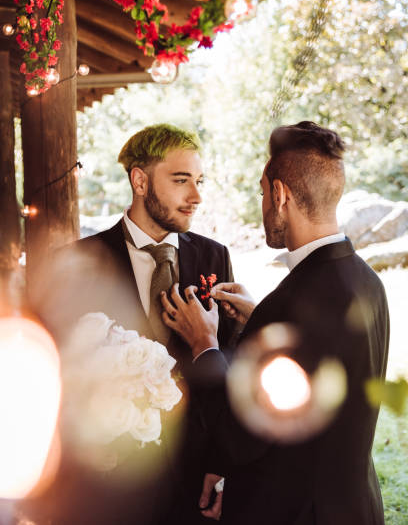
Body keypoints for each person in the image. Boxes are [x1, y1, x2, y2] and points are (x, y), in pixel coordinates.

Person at [161, 121, 390, 525]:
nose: (263, 204)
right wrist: (261, 324)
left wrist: (205, 346)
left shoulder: (290, 304)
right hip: (357, 507)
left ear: (280, 195)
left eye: (263, 193)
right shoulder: (367, 281)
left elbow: (237, 438)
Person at [29, 124, 238, 525]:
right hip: (111, 482)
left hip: (196, 481)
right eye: (181, 181)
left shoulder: (215, 257)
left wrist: (223, 462)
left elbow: (227, 359)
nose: (196, 197)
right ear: (139, 181)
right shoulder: (81, 262)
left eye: (199, 182)